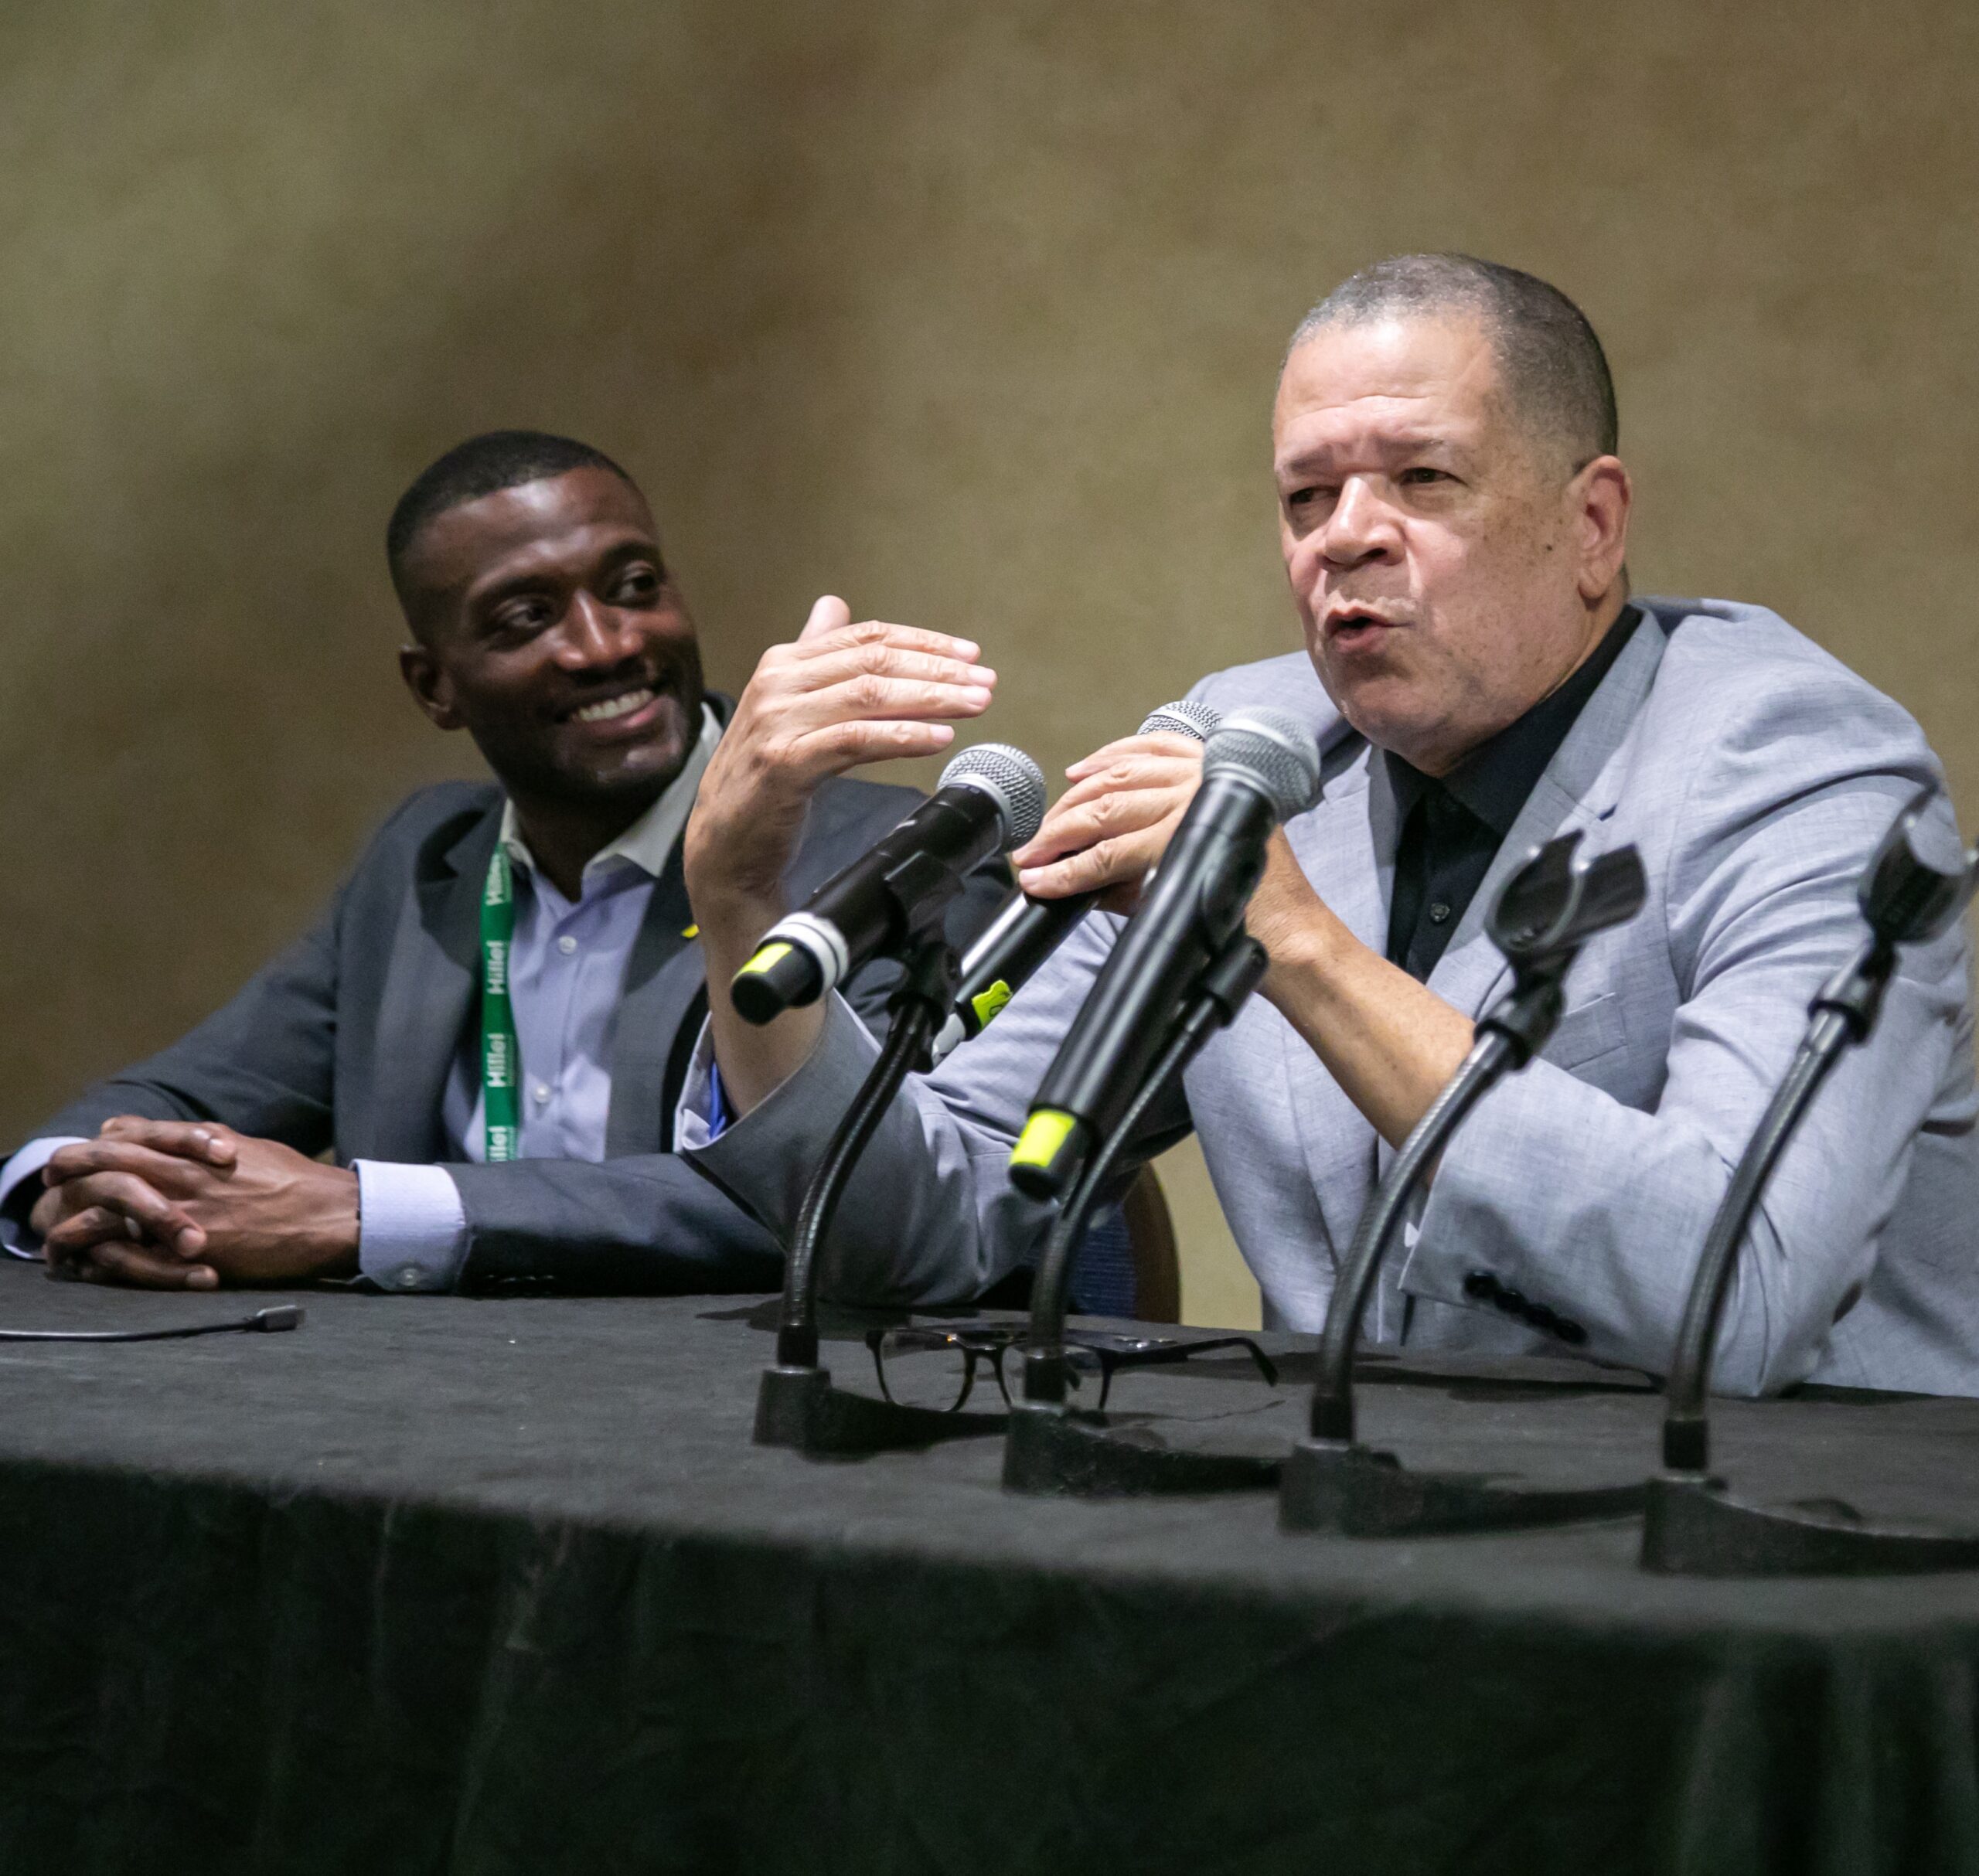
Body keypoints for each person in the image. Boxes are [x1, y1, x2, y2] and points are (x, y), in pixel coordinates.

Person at [679, 254, 1979, 1397]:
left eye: (1422, 479)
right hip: (1350, 1553)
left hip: (1784, 1575)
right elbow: (924, 1223)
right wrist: (735, 899)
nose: (1346, 539)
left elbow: (1742, 1296)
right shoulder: (1246, 747)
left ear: (1592, 527)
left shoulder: (1795, 766)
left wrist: (1297, 943)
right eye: (1307, 498)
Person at [7, 431, 1010, 1295]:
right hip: (427, 1420)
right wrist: (77, 1186)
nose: (605, 645)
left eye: (633, 587)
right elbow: (184, 1098)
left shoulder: (871, 859)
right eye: (528, 617)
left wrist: (363, 1214)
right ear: (435, 687)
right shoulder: (426, 861)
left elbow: (816, 1189)